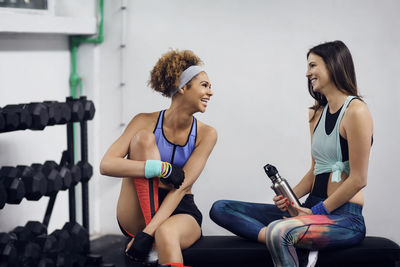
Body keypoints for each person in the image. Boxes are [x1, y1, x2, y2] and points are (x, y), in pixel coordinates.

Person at [209, 40, 373, 267]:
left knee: (279, 231)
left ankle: (288, 238)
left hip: (343, 217)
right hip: (309, 208)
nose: (308, 73)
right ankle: (297, 241)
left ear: (333, 65)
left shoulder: (356, 111)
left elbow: (358, 179)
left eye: (313, 66)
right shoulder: (316, 113)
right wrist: (290, 201)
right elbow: (315, 170)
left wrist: (314, 212)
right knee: (221, 208)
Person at [100, 49, 217, 267]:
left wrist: (148, 233)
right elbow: (106, 165)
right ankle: (152, 234)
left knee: (166, 233)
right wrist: (161, 169)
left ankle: (154, 239)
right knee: (143, 140)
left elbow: (181, 187)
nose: (210, 92)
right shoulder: (143, 121)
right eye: (204, 85)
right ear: (183, 87)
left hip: (179, 207)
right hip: (137, 206)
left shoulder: (207, 134)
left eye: (210, 87)